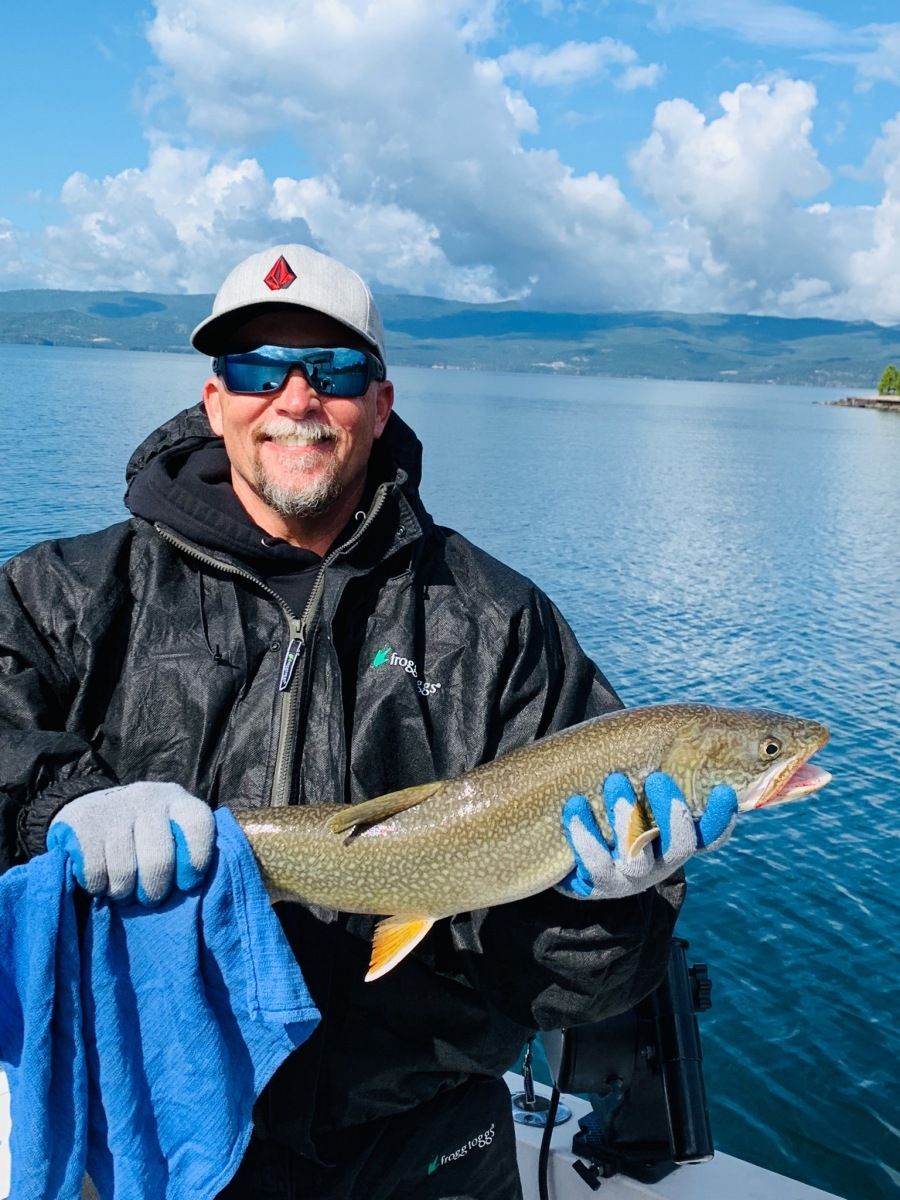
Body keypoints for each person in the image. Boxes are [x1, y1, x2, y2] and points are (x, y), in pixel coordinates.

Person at [0, 245, 736, 1199]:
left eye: (335, 370)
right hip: (153, 1120)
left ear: (381, 404)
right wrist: (56, 803)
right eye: (258, 367)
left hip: (422, 1142)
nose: (296, 397)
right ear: (214, 398)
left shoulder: (497, 623)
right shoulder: (67, 594)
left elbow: (579, 987)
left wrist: (599, 908)